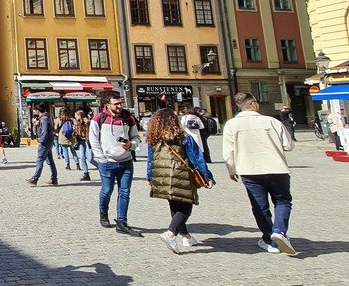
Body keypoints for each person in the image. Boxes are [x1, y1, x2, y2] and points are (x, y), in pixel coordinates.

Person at [222, 92, 296, 255]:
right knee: (283, 201)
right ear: (253, 104)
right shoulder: (271, 121)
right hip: (276, 168)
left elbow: (228, 152)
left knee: (259, 205)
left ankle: (270, 240)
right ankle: (279, 230)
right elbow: (289, 145)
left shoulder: (231, 125)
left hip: (249, 170)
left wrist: (231, 169)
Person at [145, 109, 215, 253]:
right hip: (181, 175)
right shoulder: (184, 137)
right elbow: (197, 158)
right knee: (186, 207)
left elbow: (150, 160)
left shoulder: (154, 139)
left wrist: (150, 177)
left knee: (175, 204)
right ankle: (170, 234)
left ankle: (186, 236)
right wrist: (207, 176)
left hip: (162, 177)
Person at [89, 95, 142, 236]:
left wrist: (132, 145)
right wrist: (101, 158)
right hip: (107, 162)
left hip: (126, 161)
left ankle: (121, 222)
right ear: (107, 104)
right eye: (116, 104)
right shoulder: (98, 119)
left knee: (124, 192)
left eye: (121, 103)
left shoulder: (128, 119)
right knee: (107, 190)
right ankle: (103, 213)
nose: (119, 106)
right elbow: (93, 139)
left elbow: (136, 137)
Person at [27, 104, 58, 186]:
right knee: (50, 161)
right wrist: (36, 124)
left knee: (40, 160)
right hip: (49, 142)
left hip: (45, 143)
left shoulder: (44, 119)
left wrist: (41, 140)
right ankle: (54, 178)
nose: (34, 111)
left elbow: (45, 132)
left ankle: (35, 178)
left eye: (34, 110)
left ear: (38, 110)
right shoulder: (45, 118)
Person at [73, 111, 92, 181]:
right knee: (82, 158)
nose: (75, 117)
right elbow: (77, 132)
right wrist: (75, 133)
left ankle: (104, 170)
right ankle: (86, 173)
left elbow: (91, 130)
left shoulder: (87, 122)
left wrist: (88, 123)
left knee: (90, 159)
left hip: (88, 141)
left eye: (76, 115)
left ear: (80, 115)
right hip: (81, 142)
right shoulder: (78, 123)